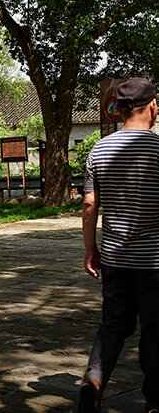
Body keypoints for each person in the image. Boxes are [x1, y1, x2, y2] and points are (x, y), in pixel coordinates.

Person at [78, 77, 159, 413]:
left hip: (115, 257)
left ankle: (93, 380)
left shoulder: (100, 148)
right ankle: (154, 401)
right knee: (155, 330)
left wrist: (89, 249)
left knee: (113, 324)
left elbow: (88, 205)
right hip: (155, 261)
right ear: (152, 106)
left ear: (121, 109)